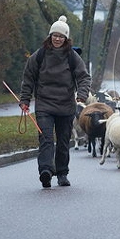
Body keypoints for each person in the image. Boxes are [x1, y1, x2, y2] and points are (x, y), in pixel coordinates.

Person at [19, 15, 91, 188]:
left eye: (61, 36)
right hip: (44, 105)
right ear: (50, 36)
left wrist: (82, 93)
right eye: (55, 35)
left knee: (64, 142)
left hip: (66, 106)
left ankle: (62, 173)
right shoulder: (40, 55)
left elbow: (84, 77)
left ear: (66, 39)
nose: (57, 39)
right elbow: (28, 78)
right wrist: (25, 100)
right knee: (46, 139)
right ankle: (45, 171)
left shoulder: (73, 57)